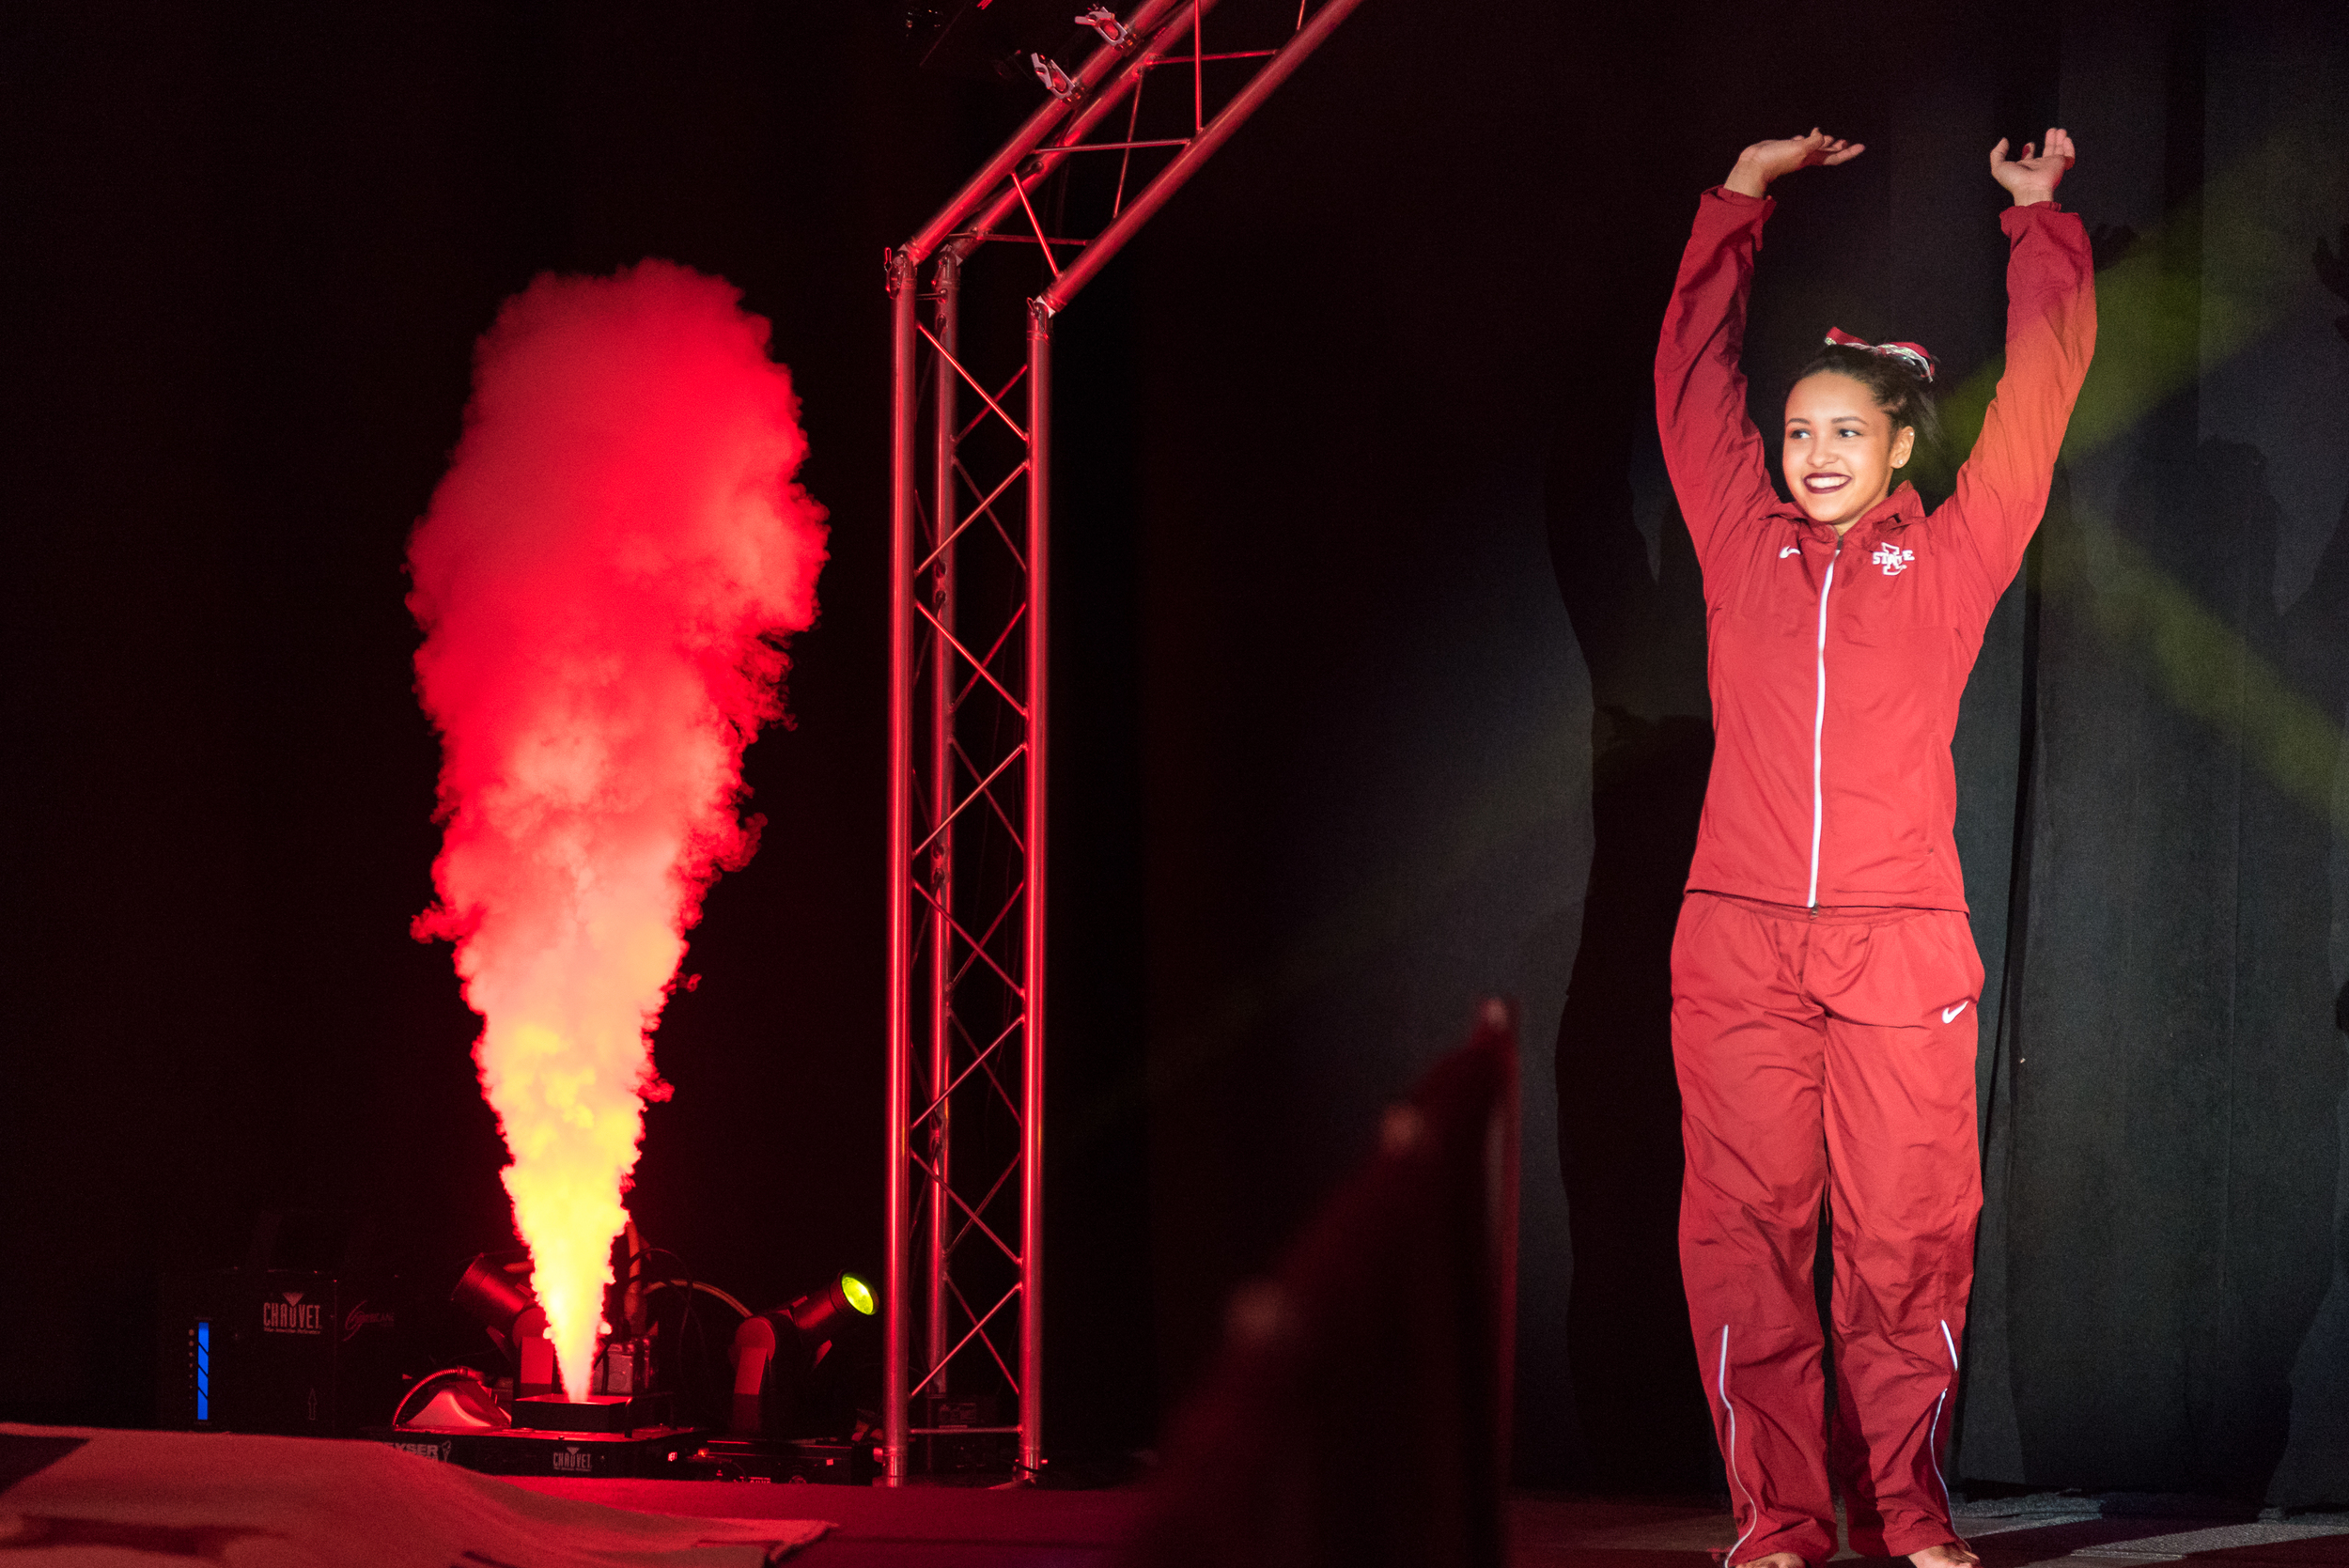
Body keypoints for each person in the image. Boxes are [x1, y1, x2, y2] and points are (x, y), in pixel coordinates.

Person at [1653, 128, 2095, 1568]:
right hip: (1739, 940)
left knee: (1907, 1248)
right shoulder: (1741, 541)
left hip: (1901, 943)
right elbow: (1687, 384)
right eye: (1799, 433)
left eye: (1845, 431)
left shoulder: (1952, 557)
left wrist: (2038, 227)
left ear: (1902, 443)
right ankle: (1777, 1521)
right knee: (1746, 1243)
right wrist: (1740, 197)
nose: (1815, 454)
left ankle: (1906, 1509)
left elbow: (2036, 406)